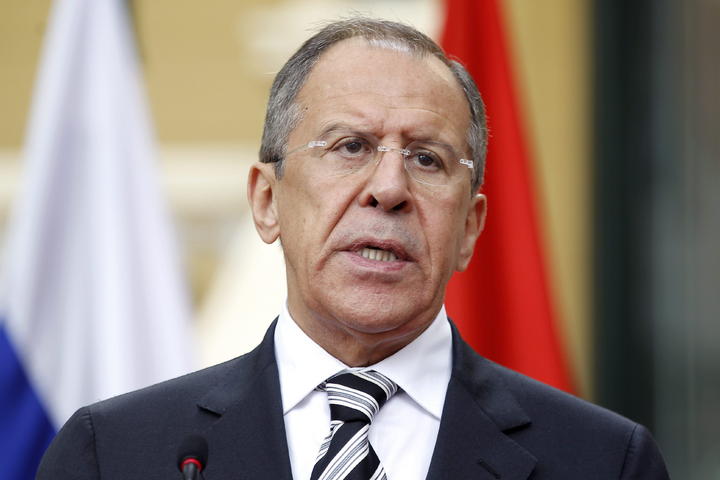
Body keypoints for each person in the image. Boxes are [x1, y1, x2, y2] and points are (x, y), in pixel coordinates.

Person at [37, 17, 669, 479]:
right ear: (267, 201)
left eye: (427, 158)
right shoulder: (114, 454)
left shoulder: (603, 462)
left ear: (470, 229)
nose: (388, 190)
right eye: (350, 147)